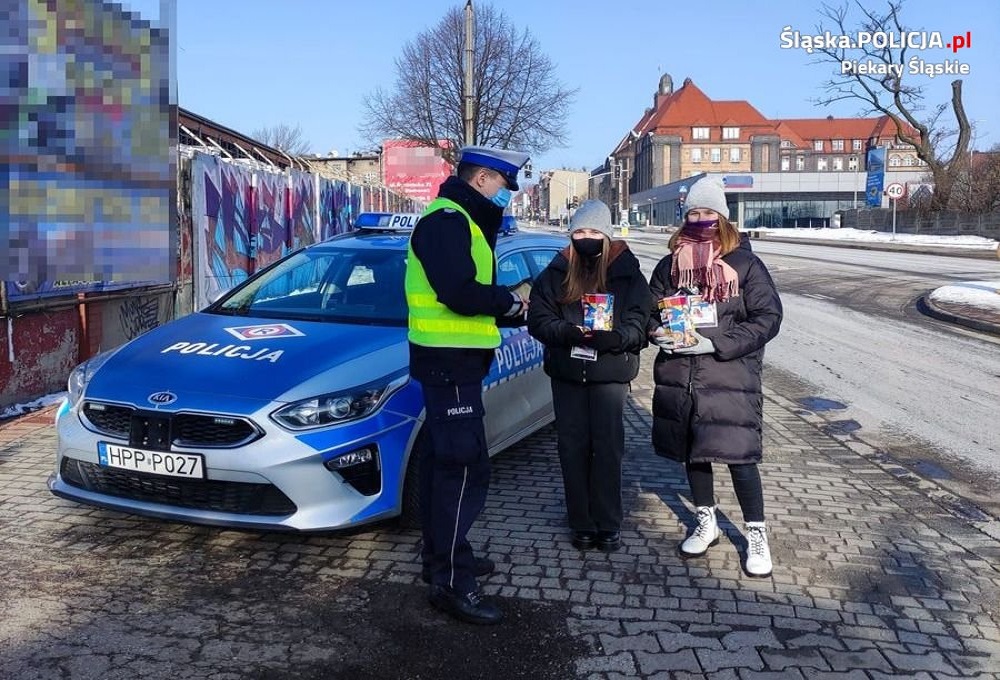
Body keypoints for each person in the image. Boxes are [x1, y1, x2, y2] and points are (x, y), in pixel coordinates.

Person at [404, 144, 530, 625]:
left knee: (446, 465)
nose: (505, 196)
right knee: (463, 470)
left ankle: (443, 557)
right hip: (448, 366)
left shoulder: (463, 219)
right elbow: (458, 292)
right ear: (481, 179)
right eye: (502, 185)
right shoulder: (447, 221)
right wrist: (508, 303)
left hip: (456, 366)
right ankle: (452, 582)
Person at [647, 176, 782, 577]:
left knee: (739, 458)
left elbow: (767, 318)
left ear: (722, 218)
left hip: (729, 379)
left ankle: (756, 535)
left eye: (707, 212)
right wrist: (657, 331)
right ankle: (706, 522)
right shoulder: (669, 266)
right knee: (694, 455)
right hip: (680, 377)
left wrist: (716, 344)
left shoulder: (745, 265)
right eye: (693, 212)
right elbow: (651, 309)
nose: (700, 218)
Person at [527, 200, 651, 552]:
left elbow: (640, 321)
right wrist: (566, 332)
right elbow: (538, 317)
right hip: (567, 372)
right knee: (572, 449)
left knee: (608, 450)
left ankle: (608, 522)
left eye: (594, 232)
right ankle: (581, 522)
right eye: (580, 231)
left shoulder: (627, 273)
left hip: (609, 373)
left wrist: (619, 338)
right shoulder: (556, 272)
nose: (586, 238)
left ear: (607, 235)